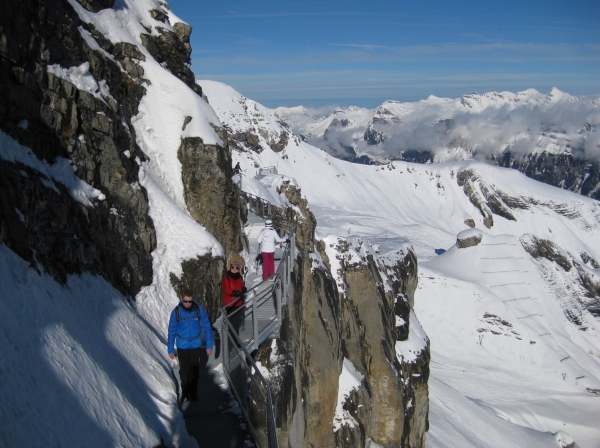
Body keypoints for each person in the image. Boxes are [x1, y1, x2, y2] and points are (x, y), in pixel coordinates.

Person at [167, 289, 213, 403]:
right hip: (182, 346)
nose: (187, 303)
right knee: (184, 370)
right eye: (185, 301)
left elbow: (207, 327)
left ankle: (194, 393)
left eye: (190, 301)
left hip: (195, 346)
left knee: (195, 370)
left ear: (193, 299)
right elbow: (171, 331)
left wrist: (209, 346)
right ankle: (185, 392)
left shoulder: (198, 310)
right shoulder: (176, 312)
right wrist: (170, 349)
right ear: (181, 299)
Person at [222, 261, 246, 337]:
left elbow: (241, 287)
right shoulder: (226, 278)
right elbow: (227, 290)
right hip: (231, 305)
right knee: (231, 325)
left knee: (237, 324)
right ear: (230, 268)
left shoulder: (240, 278)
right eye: (233, 267)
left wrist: (243, 290)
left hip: (239, 304)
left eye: (237, 268)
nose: (235, 269)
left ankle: (235, 341)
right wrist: (236, 293)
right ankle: (230, 343)